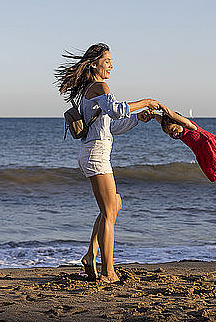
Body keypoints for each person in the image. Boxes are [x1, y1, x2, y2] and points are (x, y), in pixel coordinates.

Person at [55, 43, 159, 283]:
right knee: (109, 212)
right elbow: (116, 110)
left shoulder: (92, 90)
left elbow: (113, 124)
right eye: (108, 61)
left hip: (95, 152)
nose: (112, 65)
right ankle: (107, 272)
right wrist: (146, 101)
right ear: (94, 64)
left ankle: (91, 254)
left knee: (115, 204)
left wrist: (137, 119)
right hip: (96, 154)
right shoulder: (100, 87)